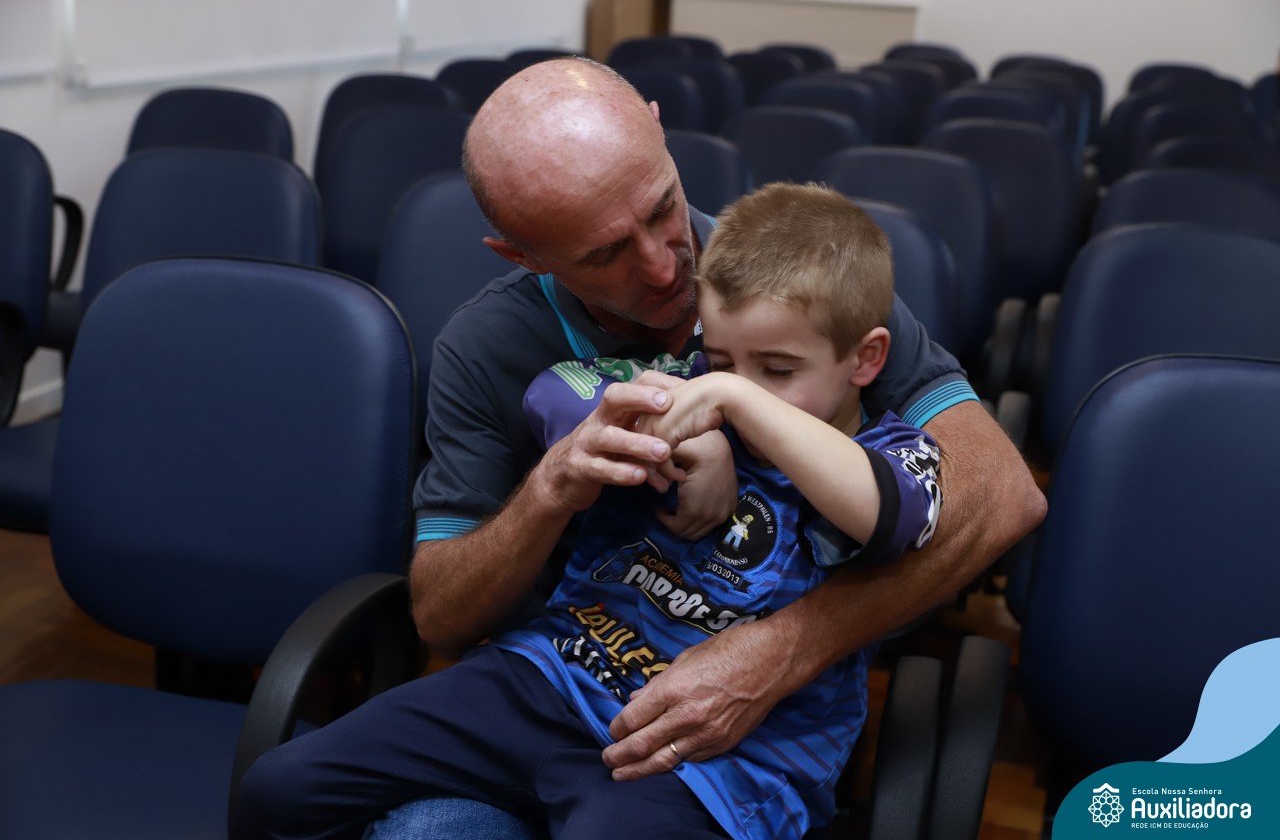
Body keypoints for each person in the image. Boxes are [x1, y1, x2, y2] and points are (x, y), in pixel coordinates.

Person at [332, 54, 1041, 837]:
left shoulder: (787, 280)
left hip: (742, 735)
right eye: (604, 254)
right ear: (523, 256)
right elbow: (441, 617)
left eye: (662, 206)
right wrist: (548, 490)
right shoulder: (483, 346)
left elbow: (1003, 494)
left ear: (659, 130)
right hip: (550, 687)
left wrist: (781, 651)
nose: (665, 265)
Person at [236, 182, 944, 839]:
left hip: (708, 759)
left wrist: (734, 402)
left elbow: (886, 512)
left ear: (866, 359)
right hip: (550, 678)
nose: (736, 384)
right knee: (280, 787)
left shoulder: (897, 453)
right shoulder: (684, 386)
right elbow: (557, 392)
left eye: (778, 371)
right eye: (723, 358)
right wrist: (690, 427)